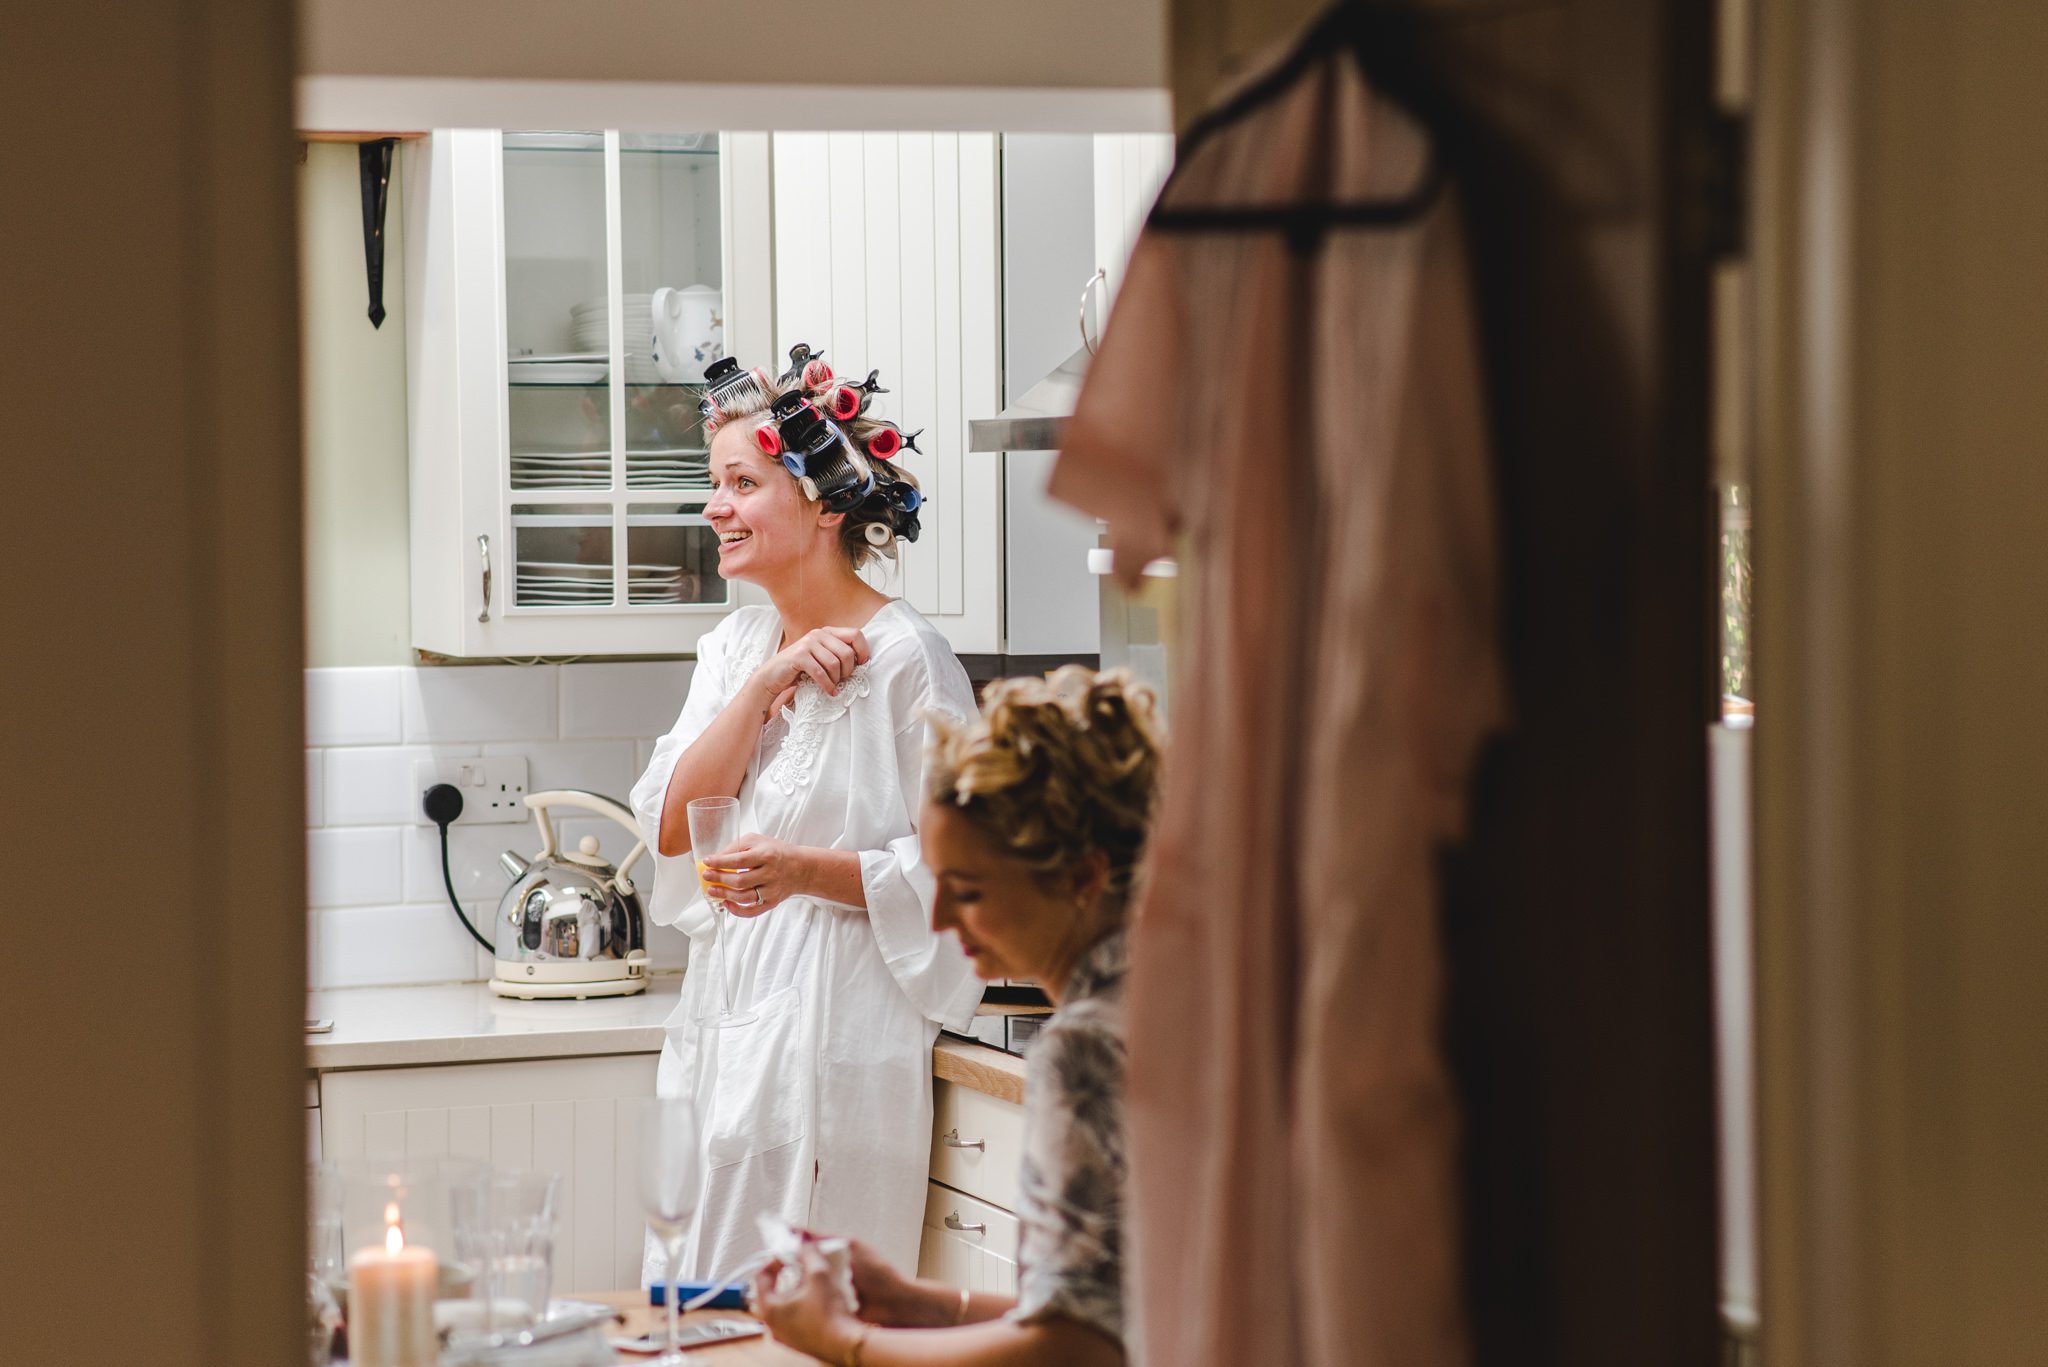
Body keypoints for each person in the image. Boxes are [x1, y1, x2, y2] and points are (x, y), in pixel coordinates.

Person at [629, 348, 983, 1283]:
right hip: (722, 1028)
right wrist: (766, 685)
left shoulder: (909, 663)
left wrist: (801, 871)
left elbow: (972, 880)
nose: (715, 507)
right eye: (716, 482)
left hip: (837, 1047)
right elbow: (670, 824)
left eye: (742, 482)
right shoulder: (735, 645)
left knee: (802, 1324)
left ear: (827, 504)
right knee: (697, 1317)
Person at [749, 667, 1162, 1367]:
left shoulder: (1088, 1045)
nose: (937, 917)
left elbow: (1075, 1346)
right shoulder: (1177, 999)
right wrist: (924, 1305)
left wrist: (845, 1343)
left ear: (1082, 876)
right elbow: (1123, 1312)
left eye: (965, 890)